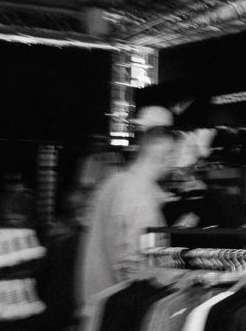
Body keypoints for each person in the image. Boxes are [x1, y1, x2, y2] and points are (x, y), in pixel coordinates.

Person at [76, 126, 180, 309]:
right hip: (119, 310)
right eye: (174, 154)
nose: (175, 163)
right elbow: (136, 270)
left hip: (96, 302)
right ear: (165, 154)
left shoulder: (112, 183)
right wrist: (175, 279)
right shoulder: (141, 198)